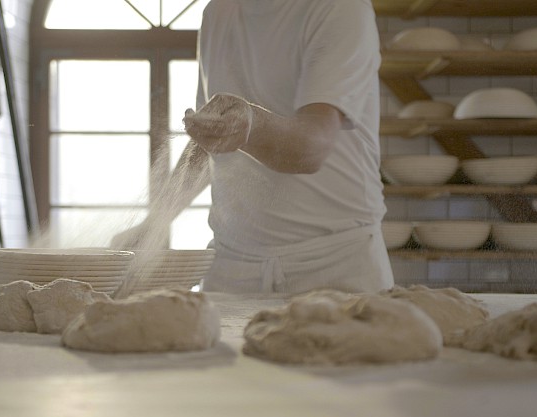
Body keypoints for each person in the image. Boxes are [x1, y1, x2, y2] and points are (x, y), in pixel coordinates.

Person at [112, 0, 394, 294]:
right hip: (232, 264)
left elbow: (312, 149)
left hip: (332, 265)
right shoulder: (217, 13)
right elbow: (210, 140)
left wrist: (251, 124)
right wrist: (153, 225)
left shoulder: (338, 8)